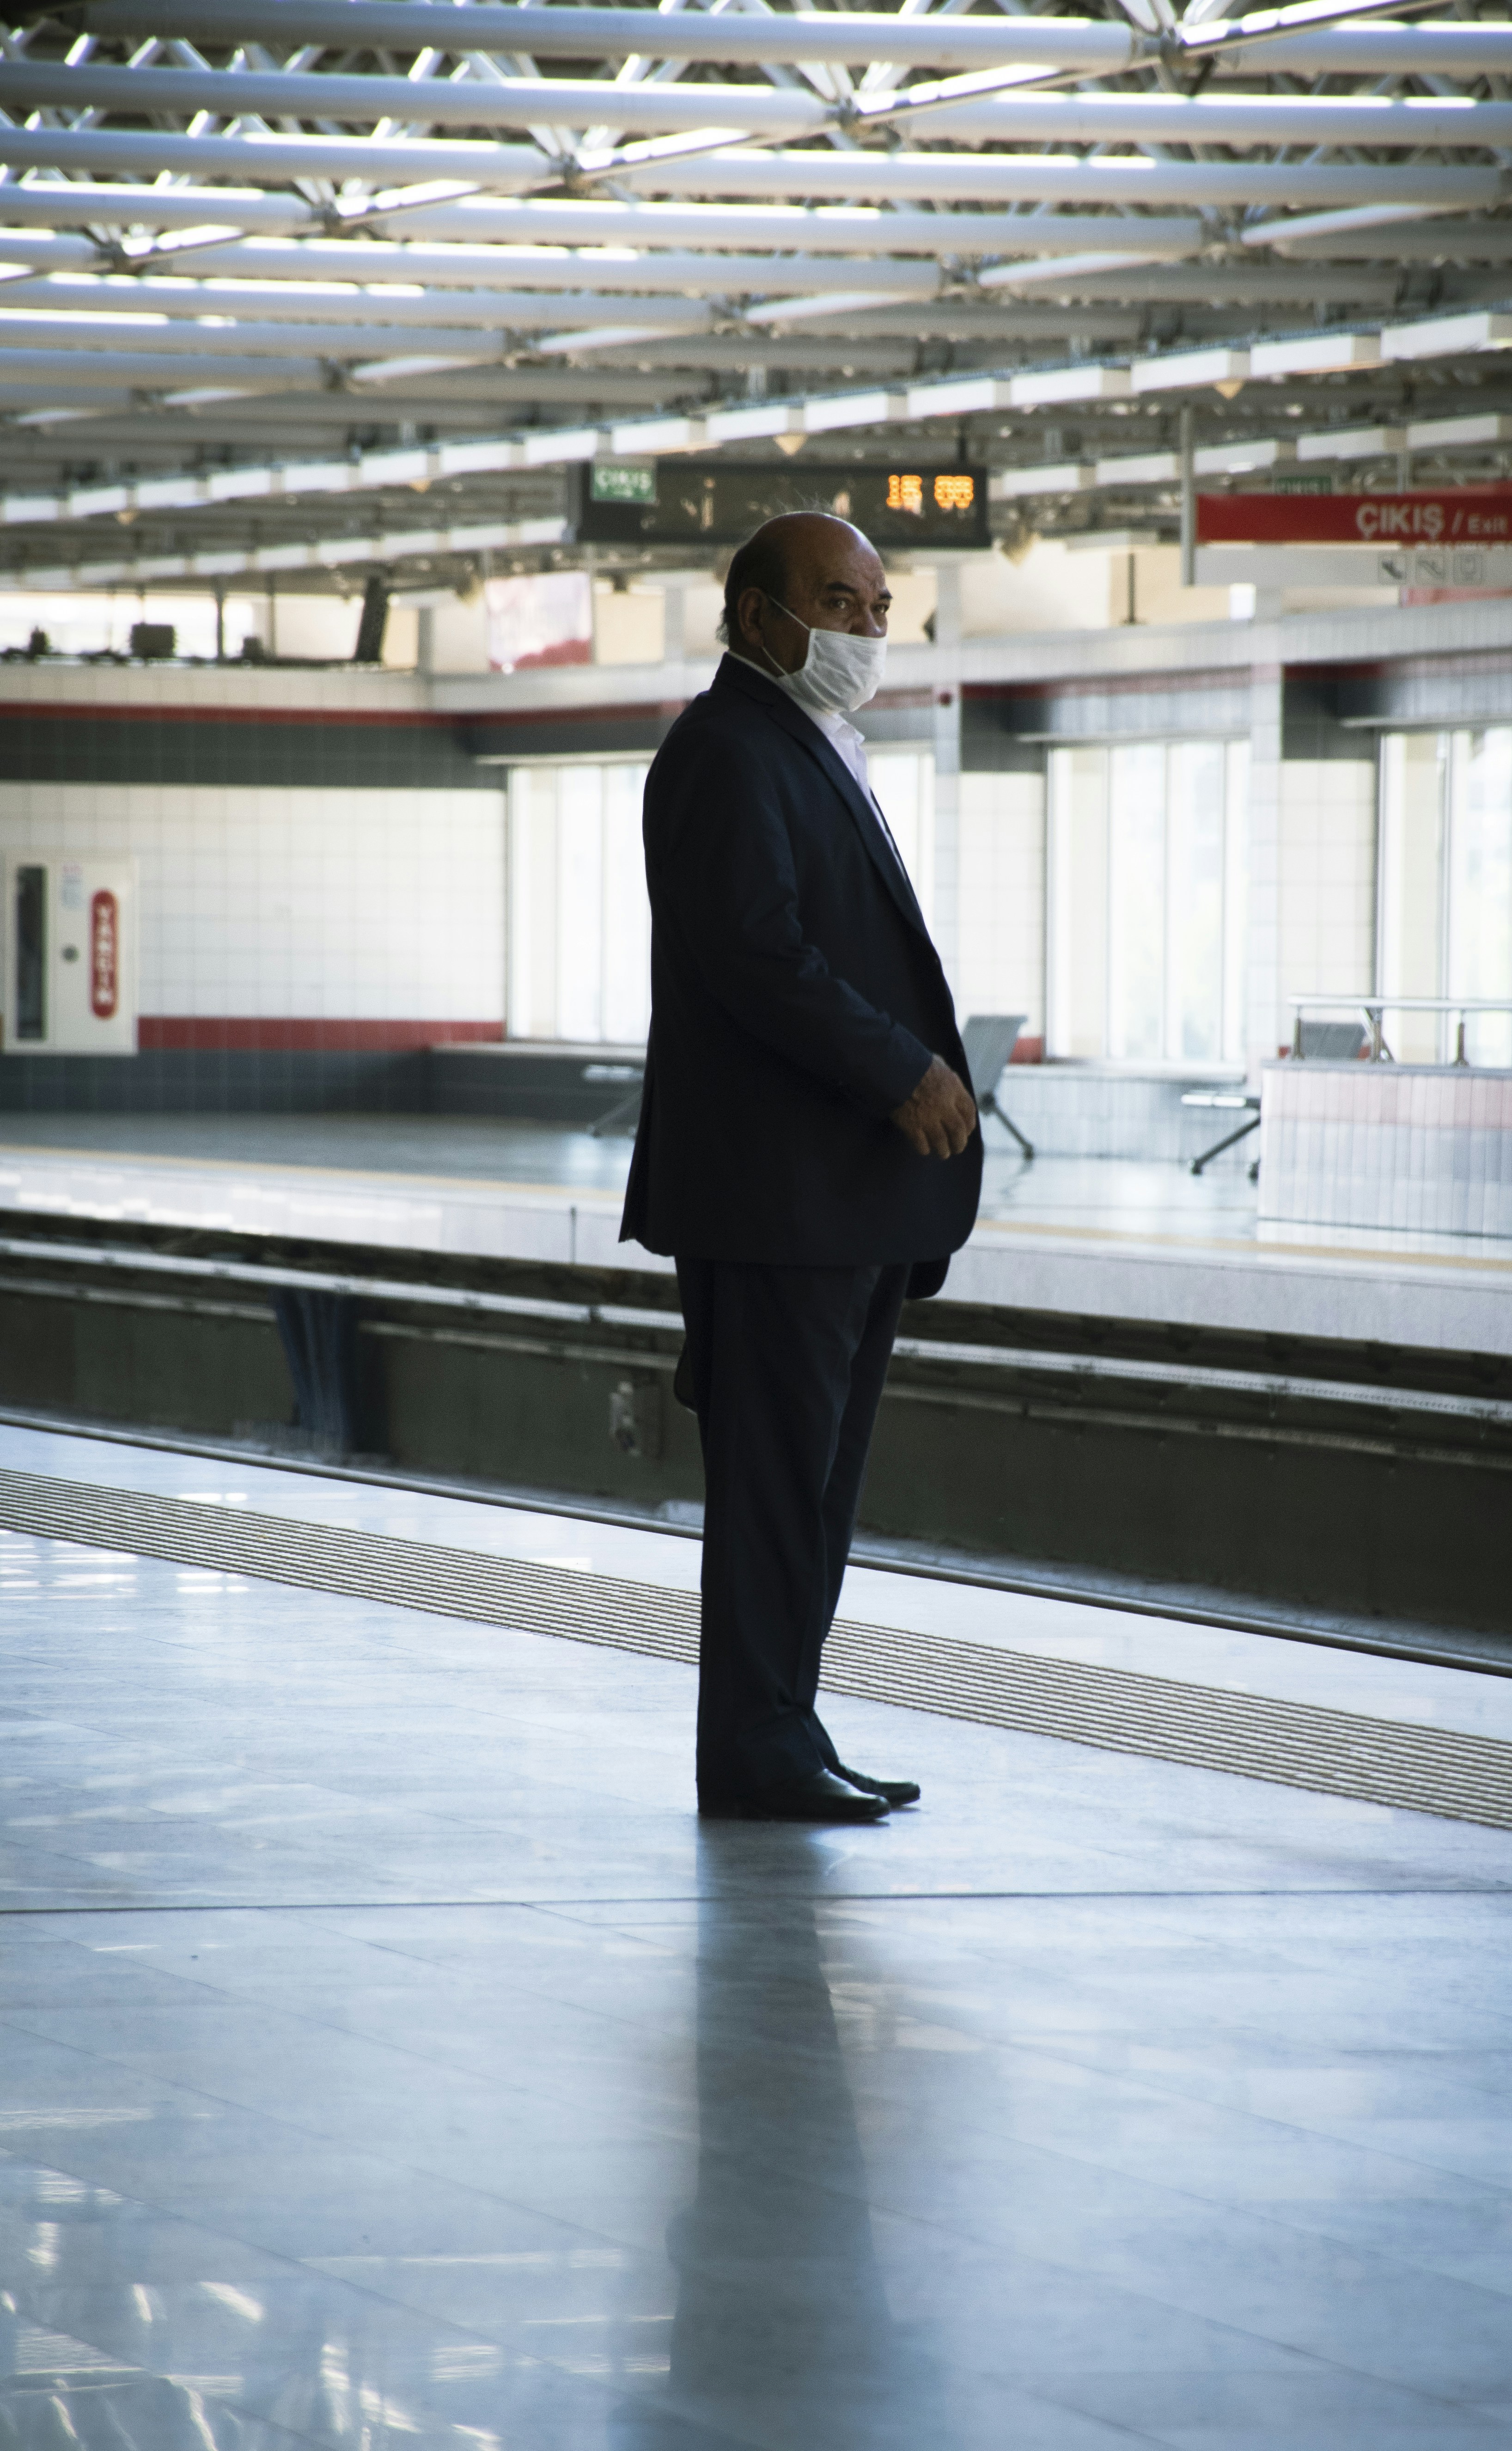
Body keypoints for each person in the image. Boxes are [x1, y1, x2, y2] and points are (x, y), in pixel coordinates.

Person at [620, 510, 981, 1823]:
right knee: (778, 1492)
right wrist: (902, 1069)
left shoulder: (807, 747)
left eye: (880, 610)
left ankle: (787, 1726)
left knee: (814, 1495)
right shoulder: (727, 753)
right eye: (838, 604)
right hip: (779, 1199)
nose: (865, 633)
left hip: (837, 1200)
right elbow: (758, 956)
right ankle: (756, 1743)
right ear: (760, 617)